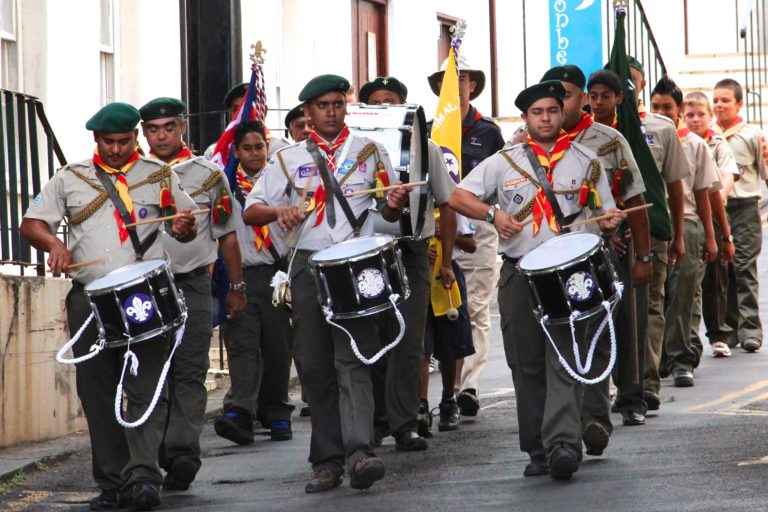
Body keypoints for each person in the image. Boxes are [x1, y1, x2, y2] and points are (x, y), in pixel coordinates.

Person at [20, 102, 198, 511]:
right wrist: (55, 245)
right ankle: (113, 481)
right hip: (92, 295)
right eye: (108, 142)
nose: (116, 149)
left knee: (146, 386)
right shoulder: (71, 178)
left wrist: (183, 227)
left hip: (144, 293)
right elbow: (31, 223)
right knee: (97, 390)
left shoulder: (159, 174)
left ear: (135, 137)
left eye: (123, 141)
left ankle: (143, 478)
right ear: (96, 140)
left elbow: (183, 224)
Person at [449, 81, 625, 480]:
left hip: (570, 274)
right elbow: (458, 196)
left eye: (551, 111)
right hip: (521, 271)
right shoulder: (503, 161)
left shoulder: (586, 160)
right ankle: (537, 448)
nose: (545, 118)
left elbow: (604, 214)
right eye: (536, 113)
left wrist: (611, 223)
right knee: (526, 363)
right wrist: (493, 215)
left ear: (562, 114)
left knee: (565, 357)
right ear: (525, 119)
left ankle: (564, 443)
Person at [242, 74, 409, 493]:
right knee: (315, 365)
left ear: (346, 106)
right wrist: (279, 211)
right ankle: (327, 461)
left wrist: (393, 204)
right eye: (322, 106)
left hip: (355, 267)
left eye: (338, 103)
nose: (331, 111)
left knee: (355, 359)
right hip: (309, 266)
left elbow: (389, 215)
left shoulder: (370, 152)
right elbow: (251, 210)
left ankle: (360, 452)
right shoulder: (287, 158)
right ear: (308, 113)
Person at [542, 65, 650, 457]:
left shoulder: (607, 140)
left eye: (568, 95)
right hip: (546, 261)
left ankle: (596, 418)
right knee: (555, 344)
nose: (559, 105)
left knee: (599, 337)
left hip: (601, 252)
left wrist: (642, 254)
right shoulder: (526, 145)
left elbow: (635, 198)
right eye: (552, 99)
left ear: (581, 98)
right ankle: (559, 427)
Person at [139, 97, 245, 491]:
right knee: (152, 374)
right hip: (145, 287)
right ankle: (154, 454)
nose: (161, 135)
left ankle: (183, 452)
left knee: (189, 369)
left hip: (192, 282)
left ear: (183, 127)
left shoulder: (207, 175)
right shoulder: (133, 176)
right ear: (144, 133)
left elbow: (227, 234)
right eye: (153, 128)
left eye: (168, 127)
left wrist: (236, 287)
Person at [358, 76, 458, 450]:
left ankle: (404, 422)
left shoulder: (424, 148)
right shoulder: (353, 152)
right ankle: (373, 419)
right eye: (376, 102)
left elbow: (446, 204)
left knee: (409, 334)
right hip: (367, 252)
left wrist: (446, 260)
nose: (385, 107)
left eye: (392, 101)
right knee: (371, 334)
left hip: (412, 248)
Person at [427, 54, 505, 416]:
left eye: (461, 80)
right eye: (448, 82)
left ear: (472, 85)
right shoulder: (430, 132)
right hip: (438, 232)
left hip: (478, 228)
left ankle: (467, 386)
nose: (455, 87)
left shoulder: (488, 131)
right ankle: (450, 385)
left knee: (474, 308)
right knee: (446, 307)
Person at [212, 120, 296, 445]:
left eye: (259, 146)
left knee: (277, 347)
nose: (254, 153)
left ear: (268, 146)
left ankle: (276, 411)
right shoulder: (226, 186)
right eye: (247, 148)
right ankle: (239, 412)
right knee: (243, 345)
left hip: (276, 273)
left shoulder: (280, 181)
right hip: (241, 274)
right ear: (236, 151)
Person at [626, 57, 689, 422]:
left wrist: (678, 235)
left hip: (654, 232)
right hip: (612, 235)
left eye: (633, 82)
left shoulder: (661, 129)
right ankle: (620, 382)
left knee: (652, 306)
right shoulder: (597, 129)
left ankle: (647, 384)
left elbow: (674, 187)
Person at [650, 76, 718, 388]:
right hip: (654, 224)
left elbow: (703, 193)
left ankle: (681, 359)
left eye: (667, 107)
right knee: (656, 297)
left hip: (687, 224)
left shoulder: (694, 144)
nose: (661, 112)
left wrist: (712, 235)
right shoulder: (645, 141)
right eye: (655, 107)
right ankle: (658, 358)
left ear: (679, 110)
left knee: (681, 297)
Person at [713, 78, 768, 353]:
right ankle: (729, 328)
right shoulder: (707, 135)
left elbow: (765, 170)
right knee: (723, 270)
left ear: (739, 104)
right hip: (716, 208)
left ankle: (750, 329)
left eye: (725, 101)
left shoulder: (752, 136)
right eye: (716, 100)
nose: (719, 106)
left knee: (744, 267)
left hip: (744, 207)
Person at [683, 91, 738, 358]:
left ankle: (718, 333)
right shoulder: (681, 142)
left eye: (700, 115)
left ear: (710, 116)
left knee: (716, 276)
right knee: (689, 280)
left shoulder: (717, 144)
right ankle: (686, 337)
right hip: (689, 212)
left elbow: (727, 176)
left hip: (714, 213)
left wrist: (716, 196)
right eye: (690, 115)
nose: (695, 120)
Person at [421, 213, 476, 435]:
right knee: (421, 347)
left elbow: (471, 244)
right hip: (419, 278)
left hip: (447, 282)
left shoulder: (450, 209)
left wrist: (444, 234)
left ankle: (448, 401)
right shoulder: (411, 206)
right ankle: (421, 407)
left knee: (450, 347)